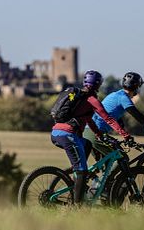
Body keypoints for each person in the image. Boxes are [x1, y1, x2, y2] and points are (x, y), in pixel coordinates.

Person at [50, 70, 131, 204]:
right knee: (82, 169)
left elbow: (89, 120)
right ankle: (78, 206)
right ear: (98, 85)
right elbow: (108, 118)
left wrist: (99, 135)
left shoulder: (80, 98)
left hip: (56, 133)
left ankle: (79, 178)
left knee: (86, 144)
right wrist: (125, 135)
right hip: (68, 135)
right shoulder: (92, 100)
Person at [83, 72, 144, 159]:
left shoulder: (114, 95)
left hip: (87, 132)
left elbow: (117, 119)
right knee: (122, 158)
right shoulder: (124, 98)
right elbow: (141, 119)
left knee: (105, 166)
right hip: (96, 133)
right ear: (136, 87)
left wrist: (125, 135)